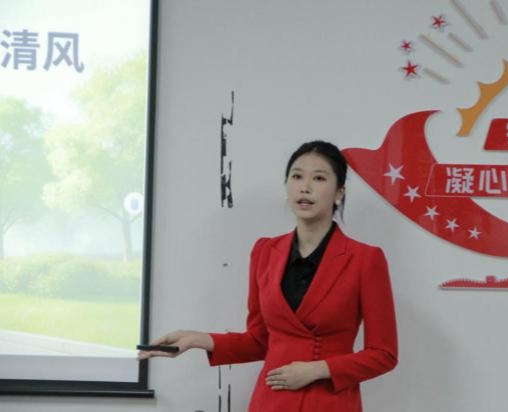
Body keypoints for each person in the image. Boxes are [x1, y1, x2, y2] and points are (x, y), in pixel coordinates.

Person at [139, 140, 398, 411]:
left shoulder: (365, 259)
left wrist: (318, 369)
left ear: (339, 193)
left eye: (319, 178)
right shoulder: (265, 251)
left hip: (329, 402)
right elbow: (259, 341)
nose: (305, 187)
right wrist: (196, 339)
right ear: (286, 186)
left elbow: (384, 354)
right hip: (272, 400)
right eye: (296, 176)